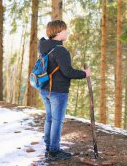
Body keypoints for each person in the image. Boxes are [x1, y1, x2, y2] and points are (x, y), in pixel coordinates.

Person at [38, 20, 91, 161]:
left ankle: (49, 147)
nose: (67, 32)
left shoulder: (44, 47)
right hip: (58, 91)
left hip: (44, 89)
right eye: (65, 30)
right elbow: (68, 72)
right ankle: (54, 151)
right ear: (58, 32)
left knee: (49, 118)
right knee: (57, 120)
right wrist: (84, 73)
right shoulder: (60, 50)